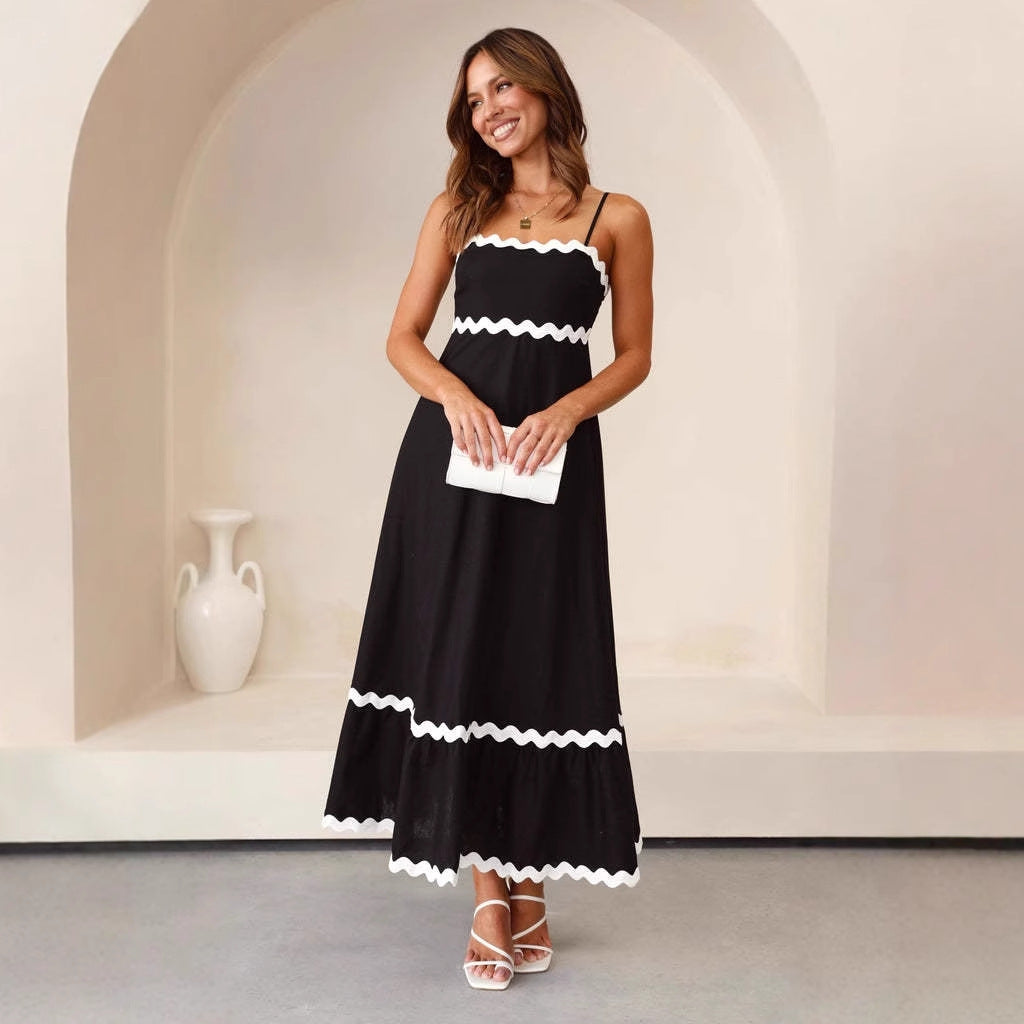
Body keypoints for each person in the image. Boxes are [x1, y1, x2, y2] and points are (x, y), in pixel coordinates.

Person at [322, 26, 653, 990]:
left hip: (552, 467)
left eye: (503, 87)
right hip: (453, 465)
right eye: (474, 99)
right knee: (465, 653)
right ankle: (491, 897)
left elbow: (635, 354)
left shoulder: (618, 218)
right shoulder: (457, 210)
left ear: (546, 88)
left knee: (538, 655)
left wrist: (568, 409)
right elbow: (403, 336)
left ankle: (532, 877)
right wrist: (455, 396)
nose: (490, 109)